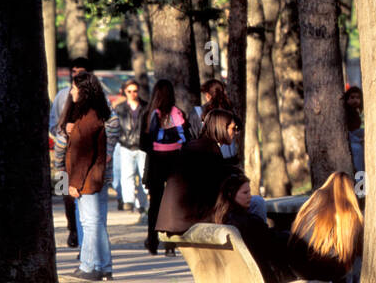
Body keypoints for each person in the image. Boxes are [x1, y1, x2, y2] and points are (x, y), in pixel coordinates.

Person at [211, 172, 362, 283]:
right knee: (354, 262)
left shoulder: (231, 220)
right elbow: (271, 243)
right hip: (278, 275)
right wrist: (292, 237)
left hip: (283, 268)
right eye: (245, 192)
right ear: (231, 195)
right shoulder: (247, 223)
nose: (250, 196)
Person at [156, 110, 263, 235]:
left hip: (174, 220)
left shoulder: (200, 146)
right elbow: (220, 192)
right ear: (222, 127)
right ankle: (258, 245)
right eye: (233, 129)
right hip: (190, 219)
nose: (236, 133)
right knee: (257, 203)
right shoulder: (209, 151)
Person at [62, 71, 114, 281]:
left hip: (87, 180)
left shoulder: (88, 118)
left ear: (83, 91)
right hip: (93, 178)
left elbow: (83, 156)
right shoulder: (91, 115)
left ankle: (90, 266)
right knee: (96, 223)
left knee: (90, 223)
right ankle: (102, 265)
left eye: (74, 87)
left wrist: (74, 183)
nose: (71, 91)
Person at [142, 79, 188, 255]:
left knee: (155, 205)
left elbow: (143, 143)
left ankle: (152, 242)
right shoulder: (179, 114)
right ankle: (171, 244)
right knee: (173, 203)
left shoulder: (149, 115)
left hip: (156, 163)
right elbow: (187, 138)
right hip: (176, 163)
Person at [50, 58, 91, 248]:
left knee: (80, 195)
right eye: (73, 71)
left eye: (80, 71)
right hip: (62, 153)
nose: (76, 74)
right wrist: (62, 132)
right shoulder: (61, 95)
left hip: (82, 155)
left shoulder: (95, 97)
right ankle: (72, 229)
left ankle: (82, 235)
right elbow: (52, 123)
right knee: (64, 193)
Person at [112, 79, 147, 216]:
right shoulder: (119, 108)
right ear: (124, 92)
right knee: (127, 175)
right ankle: (128, 201)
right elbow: (114, 126)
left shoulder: (145, 107)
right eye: (129, 91)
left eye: (135, 91)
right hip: (125, 145)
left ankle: (143, 204)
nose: (132, 94)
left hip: (142, 146)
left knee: (144, 176)